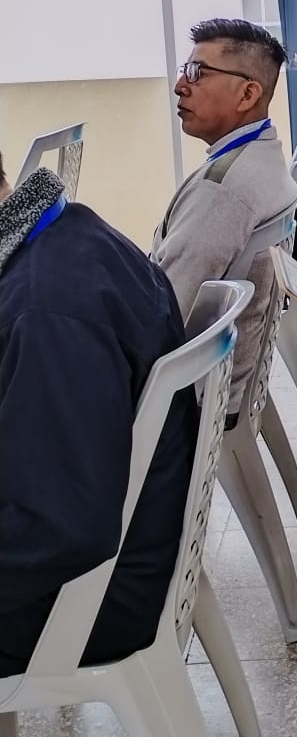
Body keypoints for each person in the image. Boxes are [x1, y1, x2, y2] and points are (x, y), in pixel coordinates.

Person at [0, 151, 197, 675]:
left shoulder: (45, 315)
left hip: (87, 597)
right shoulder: (68, 230)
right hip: (104, 553)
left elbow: (58, 526)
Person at [152, 18, 297, 420]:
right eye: (185, 70)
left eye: (198, 73)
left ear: (248, 93)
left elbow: (164, 317)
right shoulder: (263, 156)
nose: (180, 85)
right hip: (221, 379)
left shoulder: (222, 190)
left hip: (186, 399)